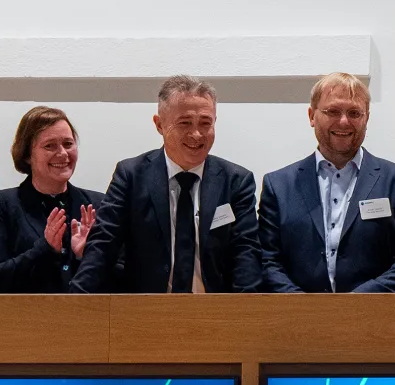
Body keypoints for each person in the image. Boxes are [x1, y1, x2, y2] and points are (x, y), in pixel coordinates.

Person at [71, 75, 261, 293]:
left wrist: (246, 315)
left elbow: (246, 253)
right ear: (159, 124)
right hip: (149, 312)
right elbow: (103, 245)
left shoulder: (236, 181)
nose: (196, 134)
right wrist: (76, 302)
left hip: (214, 313)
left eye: (205, 123)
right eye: (185, 123)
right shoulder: (131, 176)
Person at [258, 72, 395, 292]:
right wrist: (305, 309)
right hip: (297, 320)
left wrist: (353, 305)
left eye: (354, 113)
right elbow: (267, 261)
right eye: (332, 111)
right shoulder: (278, 186)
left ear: (367, 118)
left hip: (375, 318)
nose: (344, 121)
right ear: (311, 116)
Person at [0, 107, 105, 292]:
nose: (62, 153)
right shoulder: (3, 205)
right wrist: (44, 249)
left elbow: (123, 277)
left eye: (68, 144)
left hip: (87, 317)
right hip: (24, 318)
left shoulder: (97, 205)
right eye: (50, 145)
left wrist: (87, 256)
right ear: (27, 155)